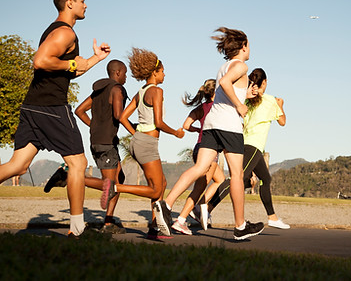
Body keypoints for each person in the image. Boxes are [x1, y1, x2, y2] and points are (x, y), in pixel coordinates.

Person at [0, 0, 111, 238]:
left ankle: (76, 227)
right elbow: (40, 61)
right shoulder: (65, 33)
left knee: (17, 165)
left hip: (33, 105)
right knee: (78, 162)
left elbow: (70, 68)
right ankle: (77, 229)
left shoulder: (58, 32)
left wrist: (95, 59)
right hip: (51, 106)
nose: (85, 5)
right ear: (69, 3)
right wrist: (73, 61)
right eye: (82, 0)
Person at [154, 27, 264, 240]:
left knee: (199, 168)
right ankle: (240, 226)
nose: (250, 48)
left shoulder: (225, 66)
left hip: (212, 124)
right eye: (249, 44)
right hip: (229, 125)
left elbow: (226, 86)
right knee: (237, 175)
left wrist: (245, 95)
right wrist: (240, 106)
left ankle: (166, 205)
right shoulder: (242, 65)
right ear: (243, 46)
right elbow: (224, 85)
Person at [102, 48, 184, 240]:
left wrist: (136, 134)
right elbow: (159, 122)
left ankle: (155, 228)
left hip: (139, 141)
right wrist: (176, 133)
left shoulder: (141, 92)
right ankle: (116, 187)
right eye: (162, 71)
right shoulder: (156, 91)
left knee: (160, 183)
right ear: (154, 72)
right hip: (146, 144)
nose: (164, 74)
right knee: (156, 189)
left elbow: (122, 117)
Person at [44, 60, 129, 235]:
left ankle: (108, 223)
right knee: (110, 185)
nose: (126, 77)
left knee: (119, 179)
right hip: (106, 142)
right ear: (118, 72)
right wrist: (135, 130)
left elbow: (80, 110)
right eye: (125, 73)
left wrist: (94, 126)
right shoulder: (116, 90)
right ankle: (67, 176)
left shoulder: (99, 90)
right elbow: (119, 115)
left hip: (97, 140)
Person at [205, 68, 290, 229]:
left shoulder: (247, 99)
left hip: (246, 143)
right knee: (235, 179)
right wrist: (281, 105)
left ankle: (272, 217)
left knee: (266, 179)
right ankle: (206, 208)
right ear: (264, 83)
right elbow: (282, 121)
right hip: (253, 145)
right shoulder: (270, 100)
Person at [171, 79, 226, 235]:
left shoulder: (201, 108)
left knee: (220, 180)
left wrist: (197, 130)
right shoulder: (219, 108)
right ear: (217, 92)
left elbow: (186, 125)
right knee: (199, 188)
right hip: (210, 150)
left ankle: (197, 207)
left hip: (198, 148)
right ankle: (182, 219)